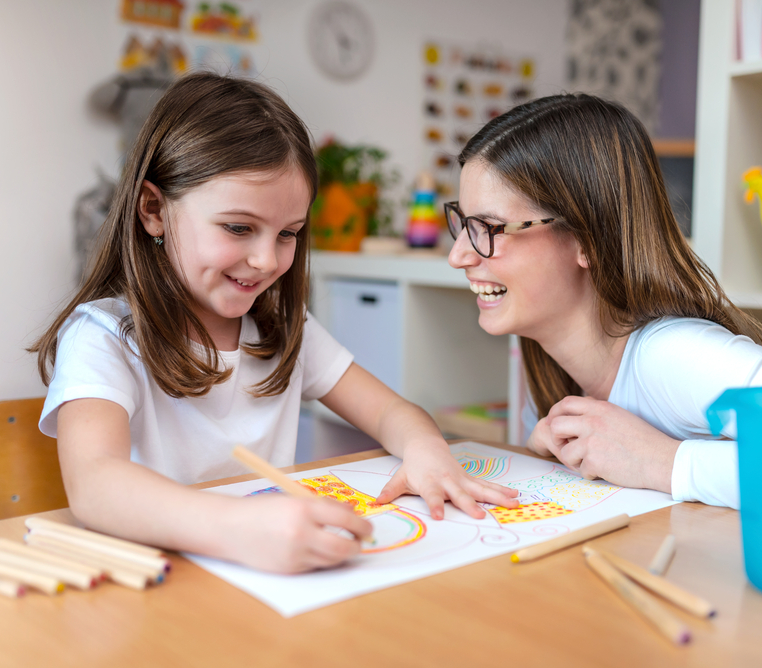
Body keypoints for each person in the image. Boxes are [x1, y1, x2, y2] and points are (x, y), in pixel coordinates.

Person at [31, 73, 518, 574]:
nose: (266, 260)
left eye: (288, 234)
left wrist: (426, 450)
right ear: (154, 210)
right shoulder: (102, 338)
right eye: (238, 228)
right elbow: (95, 485)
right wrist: (234, 527)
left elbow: (393, 412)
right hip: (163, 588)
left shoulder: (286, 330)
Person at [446, 93, 762, 536]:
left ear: (587, 239)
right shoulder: (546, 362)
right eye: (462, 224)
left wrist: (668, 463)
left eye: (488, 228)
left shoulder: (677, 356)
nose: (459, 255)